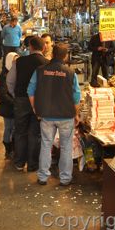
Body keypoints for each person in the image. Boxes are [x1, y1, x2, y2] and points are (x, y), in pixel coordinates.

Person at [28, 44, 81, 186]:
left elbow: (30, 91)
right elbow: (76, 97)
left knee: (46, 145)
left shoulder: (40, 71)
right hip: (66, 116)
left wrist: (35, 108)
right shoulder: (70, 73)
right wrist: (76, 114)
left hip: (46, 115)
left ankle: (43, 177)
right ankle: (65, 178)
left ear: (51, 54)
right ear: (65, 56)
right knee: (66, 147)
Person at [7, 36, 48, 172]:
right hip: (40, 102)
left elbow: (10, 82)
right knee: (35, 133)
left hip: (21, 100)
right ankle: (32, 165)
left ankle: (19, 163)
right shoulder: (47, 64)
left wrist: (16, 95)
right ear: (43, 48)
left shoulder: (19, 61)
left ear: (30, 46)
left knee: (20, 132)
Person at [0, 52, 18, 159]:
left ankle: (13, 149)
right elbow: (3, 94)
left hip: (14, 107)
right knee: (9, 128)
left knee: (14, 128)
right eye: (14, 61)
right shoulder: (4, 75)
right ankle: (8, 149)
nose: (16, 63)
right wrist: (15, 102)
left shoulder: (16, 73)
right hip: (8, 107)